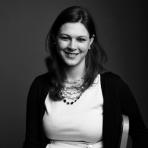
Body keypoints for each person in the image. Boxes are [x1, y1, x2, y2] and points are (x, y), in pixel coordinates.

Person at [23, 6, 148, 148]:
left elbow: (141, 135)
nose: (72, 46)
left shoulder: (113, 85)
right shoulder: (40, 85)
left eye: (81, 39)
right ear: (55, 39)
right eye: (65, 38)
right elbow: (31, 143)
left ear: (90, 42)